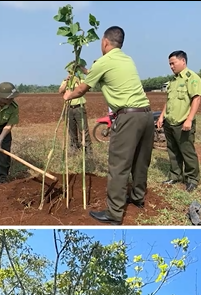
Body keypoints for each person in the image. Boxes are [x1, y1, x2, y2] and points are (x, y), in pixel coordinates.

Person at [63, 26, 153, 225]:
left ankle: (114, 213)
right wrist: (84, 70)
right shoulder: (127, 60)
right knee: (140, 161)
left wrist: (68, 95)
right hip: (146, 115)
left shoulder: (103, 62)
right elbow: (101, 76)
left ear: (105, 42)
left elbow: (82, 89)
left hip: (128, 118)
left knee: (119, 165)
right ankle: (137, 198)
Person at [157, 50, 201, 192]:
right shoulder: (172, 81)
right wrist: (161, 116)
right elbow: (169, 101)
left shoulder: (192, 78)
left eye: (173, 63)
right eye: (169, 64)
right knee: (173, 150)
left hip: (183, 123)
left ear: (183, 61)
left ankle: (192, 179)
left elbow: (196, 98)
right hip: (170, 122)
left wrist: (189, 119)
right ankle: (175, 175)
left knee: (187, 151)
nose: (171, 66)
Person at [59, 61, 93, 154]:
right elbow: (60, 90)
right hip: (69, 108)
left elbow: (87, 88)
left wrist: (78, 80)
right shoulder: (65, 81)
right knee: (71, 130)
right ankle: (74, 149)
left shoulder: (82, 80)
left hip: (79, 108)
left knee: (83, 130)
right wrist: (67, 81)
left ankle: (87, 151)